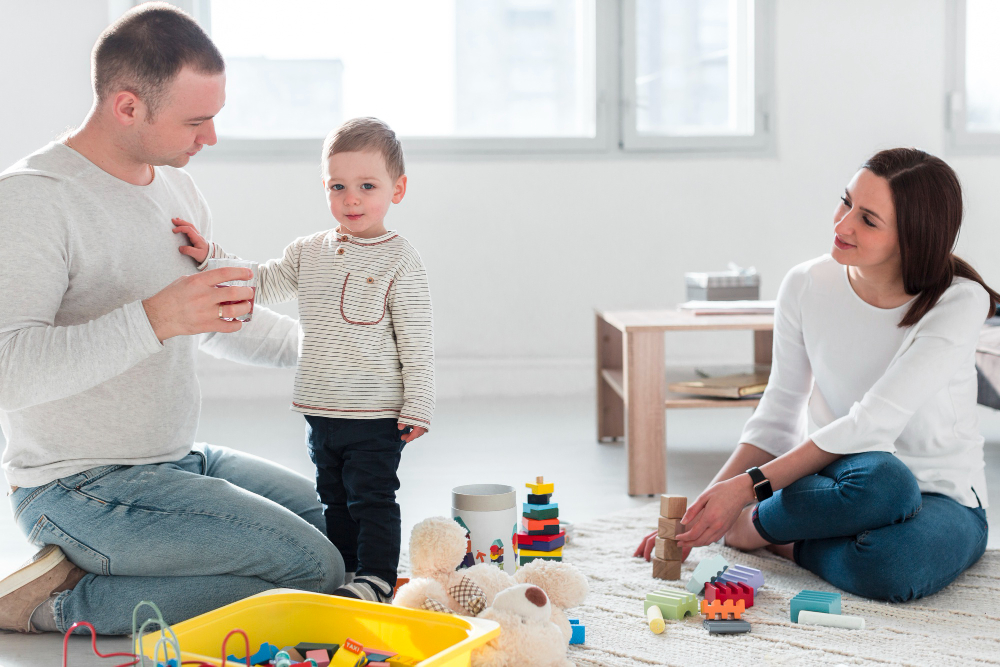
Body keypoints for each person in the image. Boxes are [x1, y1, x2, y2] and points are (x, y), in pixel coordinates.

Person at [0, 3, 344, 635]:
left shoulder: (176, 188)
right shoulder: (31, 200)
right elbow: (9, 372)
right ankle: (53, 605)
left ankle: (109, 568)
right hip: (75, 486)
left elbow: (213, 318)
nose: (209, 138)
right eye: (196, 121)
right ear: (127, 106)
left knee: (345, 534)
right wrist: (155, 318)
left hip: (177, 460)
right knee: (312, 571)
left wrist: (327, 351)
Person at [675, 148, 993, 601]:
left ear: (912, 237)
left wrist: (748, 494)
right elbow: (779, 413)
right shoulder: (806, 284)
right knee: (883, 481)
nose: (842, 225)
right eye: (845, 202)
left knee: (893, 562)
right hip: (846, 482)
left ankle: (770, 534)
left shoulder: (960, 302)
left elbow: (874, 422)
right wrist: (707, 509)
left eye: (868, 219)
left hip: (944, 496)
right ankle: (762, 525)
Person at [173, 117, 435, 603]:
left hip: (375, 413)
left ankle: (376, 577)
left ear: (397, 190)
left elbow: (416, 340)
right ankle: (345, 571)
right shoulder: (308, 252)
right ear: (326, 188)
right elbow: (262, 281)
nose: (351, 198)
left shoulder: (401, 260)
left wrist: (418, 403)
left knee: (372, 498)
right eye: (339, 186)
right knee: (333, 498)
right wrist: (211, 256)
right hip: (321, 410)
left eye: (367, 186)